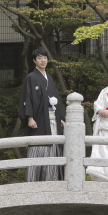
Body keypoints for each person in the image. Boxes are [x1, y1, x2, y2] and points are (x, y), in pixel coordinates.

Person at [18, 48, 66, 181]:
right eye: (39, 58)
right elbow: (27, 98)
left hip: (52, 119)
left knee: (54, 146)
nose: (43, 60)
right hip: (39, 119)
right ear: (34, 60)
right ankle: (37, 179)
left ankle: (53, 178)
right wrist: (30, 117)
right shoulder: (31, 77)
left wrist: (59, 118)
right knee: (41, 147)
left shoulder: (49, 77)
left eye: (45, 57)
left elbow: (55, 97)